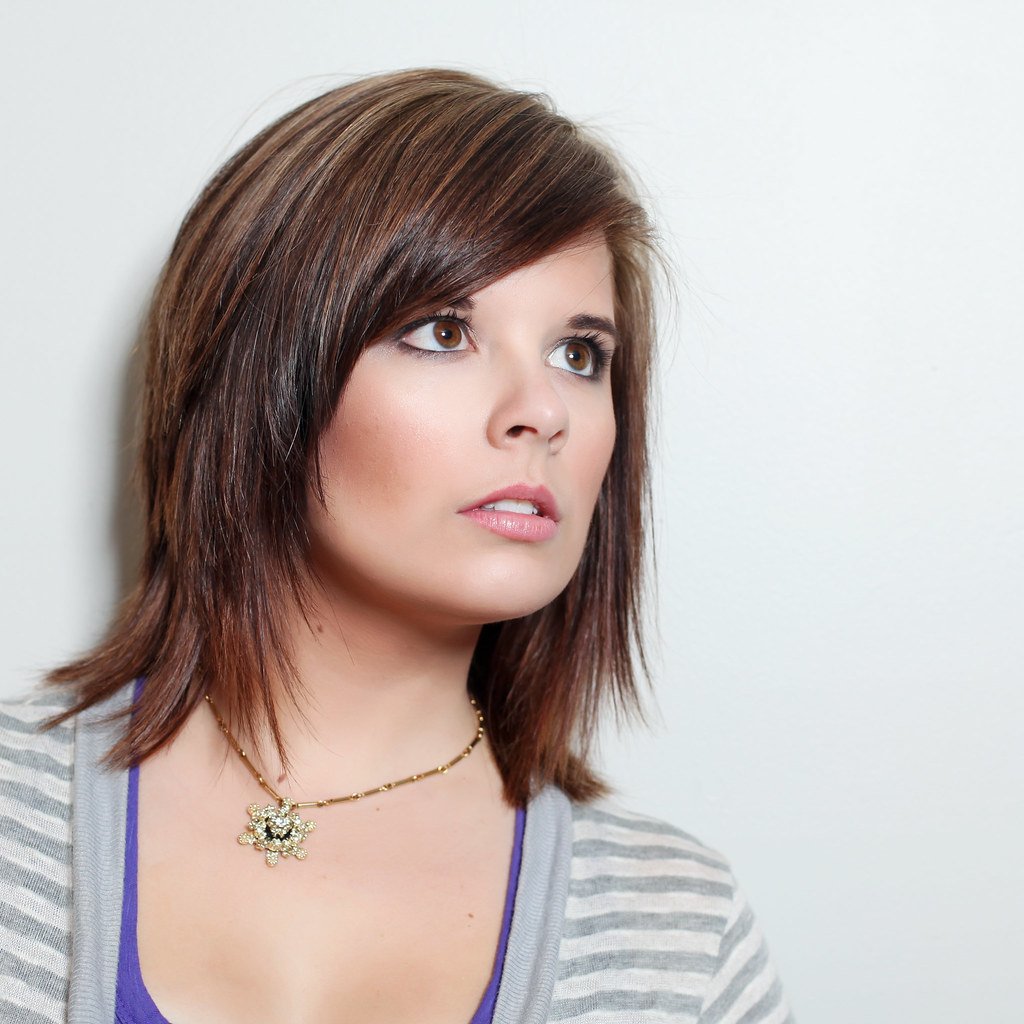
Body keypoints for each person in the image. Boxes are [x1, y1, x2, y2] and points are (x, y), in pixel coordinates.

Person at [0, 69, 793, 1023]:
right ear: (260, 374)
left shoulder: (680, 940)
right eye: (444, 331)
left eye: (579, 354)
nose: (542, 411)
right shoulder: (17, 817)